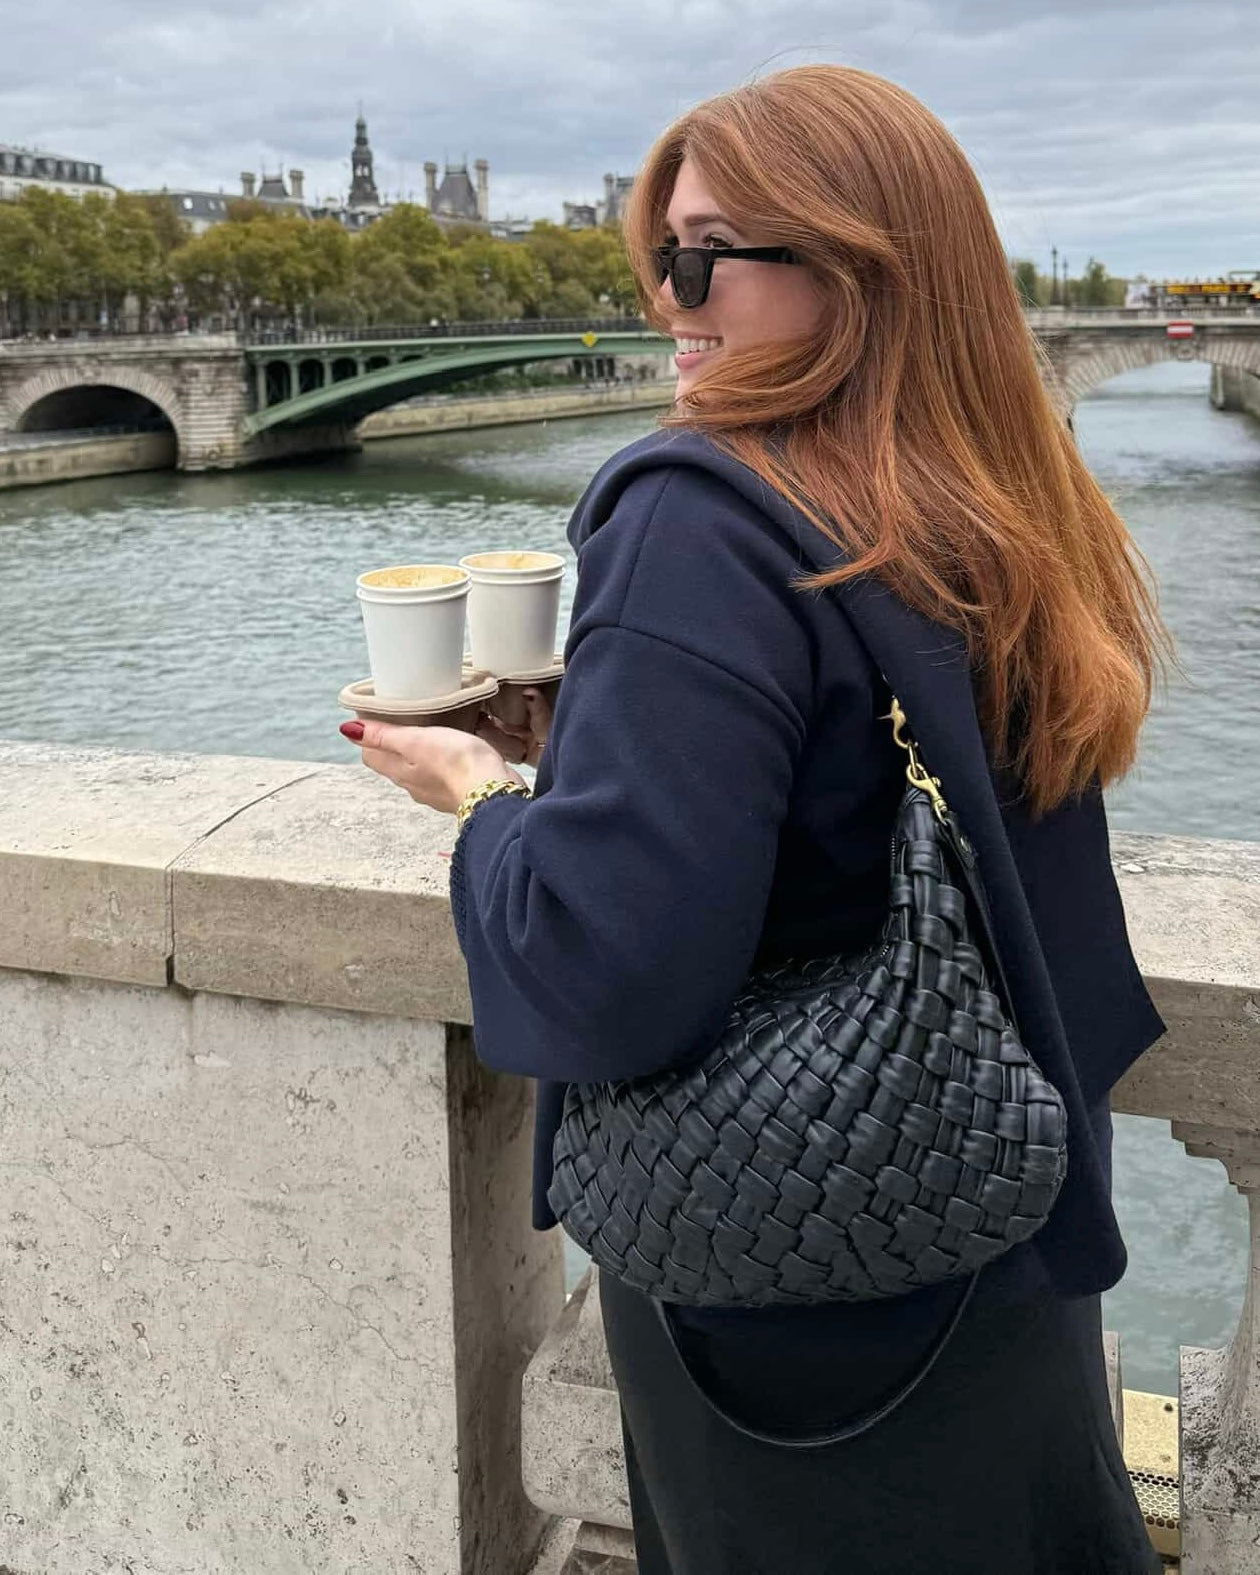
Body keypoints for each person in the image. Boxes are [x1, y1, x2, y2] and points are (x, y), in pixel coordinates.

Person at [342, 64, 1168, 1575]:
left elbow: (605, 967)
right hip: (1005, 1202)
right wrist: (608, 738)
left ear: (861, 270)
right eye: (663, 255)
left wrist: (481, 794)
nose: (671, 302)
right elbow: (869, 780)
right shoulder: (987, 494)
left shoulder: (697, 511)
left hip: (800, 1255)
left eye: (710, 256)